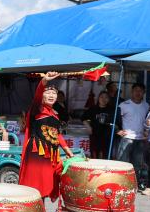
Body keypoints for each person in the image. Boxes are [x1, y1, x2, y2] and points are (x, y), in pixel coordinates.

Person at [19, 73, 73, 201]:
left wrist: (68, 151)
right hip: (38, 152)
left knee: (47, 184)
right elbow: (37, 96)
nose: (51, 95)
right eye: (48, 93)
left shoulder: (54, 114)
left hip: (52, 154)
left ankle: (41, 210)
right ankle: (35, 210)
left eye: (54, 93)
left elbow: (57, 134)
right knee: (36, 185)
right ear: (42, 95)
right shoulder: (37, 108)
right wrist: (44, 81)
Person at [114, 84, 150, 191]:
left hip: (140, 139)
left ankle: (133, 185)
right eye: (136, 90)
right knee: (122, 162)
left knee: (137, 164)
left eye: (140, 91)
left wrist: (147, 132)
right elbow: (115, 119)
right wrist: (118, 130)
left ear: (144, 93)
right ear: (132, 91)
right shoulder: (124, 105)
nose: (138, 93)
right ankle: (119, 184)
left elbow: (148, 121)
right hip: (127, 138)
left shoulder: (146, 106)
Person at [82, 91, 116, 159]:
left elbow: (116, 122)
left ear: (109, 99)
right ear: (98, 98)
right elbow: (83, 118)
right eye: (101, 97)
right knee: (94, 155)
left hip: (107, 137)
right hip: (95, 136)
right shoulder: (93, 109)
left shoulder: (112, 110)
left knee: (105, 156)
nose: (103, 99)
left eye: (106, 97)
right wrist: (88, 126)